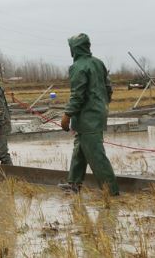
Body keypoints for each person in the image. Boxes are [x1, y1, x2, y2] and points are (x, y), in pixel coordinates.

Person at [60, 33, 119, 195]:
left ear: (75, 49)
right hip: (95, 114)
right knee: (80, 149)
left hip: (88, 118)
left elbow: (77, 95)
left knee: (95, 154)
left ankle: (111, 191)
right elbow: (108, 88)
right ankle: (74, 184)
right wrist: (102, 104)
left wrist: (67, 115)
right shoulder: (98, 63)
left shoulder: (78, 67)